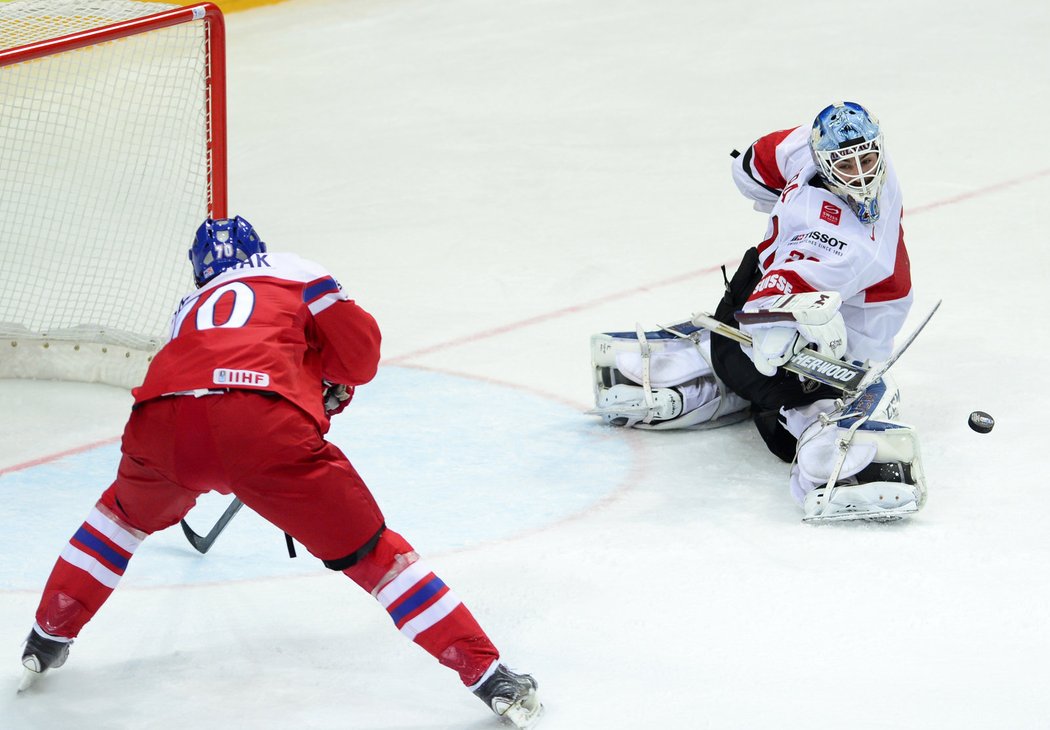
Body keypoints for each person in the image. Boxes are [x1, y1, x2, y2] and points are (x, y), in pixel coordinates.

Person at [19, 216, 543, 728]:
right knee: (373, 554)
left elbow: (212, 361)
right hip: (260, 428)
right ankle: (489, 676)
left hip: (161, 423)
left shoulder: (189, 304)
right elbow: (360, 358)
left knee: (117, 522)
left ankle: (46, 637)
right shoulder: (294, 269)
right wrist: (320, 380)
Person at [591, 101, 927, 522]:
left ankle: (733, 373)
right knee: (807, 361)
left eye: (868, 158)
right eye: (846, 164)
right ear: (823, 159)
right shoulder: (817, 192)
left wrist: (771, 331)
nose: (861, 172)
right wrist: (770, 332)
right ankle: (797, 417)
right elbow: (756, 175)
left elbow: (753, 175)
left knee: (775, 358)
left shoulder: (823, 191)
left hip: (807, 318)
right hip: (797, 322)